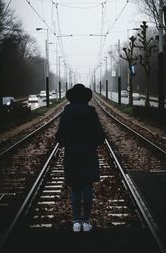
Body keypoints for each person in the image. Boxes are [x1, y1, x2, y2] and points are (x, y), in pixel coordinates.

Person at [55, 83, 105, 232]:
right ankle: (87, 222)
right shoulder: (91, 112)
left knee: (75, 189)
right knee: (87, 188)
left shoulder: (67, 113)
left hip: (72, 155)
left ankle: (76, 222)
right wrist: (91, 144)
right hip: (88, 155)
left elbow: (59, 137)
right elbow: (101, 137)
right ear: (85, 98)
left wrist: (69, 143)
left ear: (71, 98)